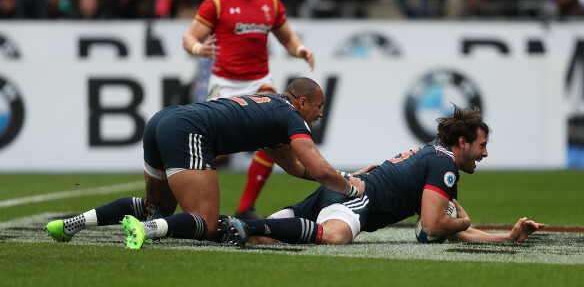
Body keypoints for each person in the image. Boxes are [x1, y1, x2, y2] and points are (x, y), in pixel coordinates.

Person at [45, 77, 364, 249]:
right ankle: (144, 230)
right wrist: (351, 189)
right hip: (190, 131)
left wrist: (344, 175)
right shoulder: (290, 116)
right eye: (319, 107)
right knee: (207, 224)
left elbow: (298, 168)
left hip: (163, 120)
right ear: (303, 101)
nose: (320, 114)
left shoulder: (271, 109)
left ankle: (72, 225)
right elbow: (319, 167)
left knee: (156, 204)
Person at [218, 104, 545, 247]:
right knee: (335, 237)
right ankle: (247, 223)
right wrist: (461, 221)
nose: (485, 154)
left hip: (339, 193)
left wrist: (507, 237)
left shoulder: (435, 155)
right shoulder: (444, 167)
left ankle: (210, 226)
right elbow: (434, 226)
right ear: (463, 142)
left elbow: (442, 226)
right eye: (482, 145)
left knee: (263, 239)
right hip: (358, 200)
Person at [181, 0, 315, 220]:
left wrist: (300, 49)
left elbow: (287, 37)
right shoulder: (217, 2)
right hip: (225, 84)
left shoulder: (270, 2)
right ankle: (173, 195)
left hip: (260, 82)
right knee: (212, 150)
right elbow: (189, 37)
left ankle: (245, 207)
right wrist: (198, 49)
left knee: (275, 136)